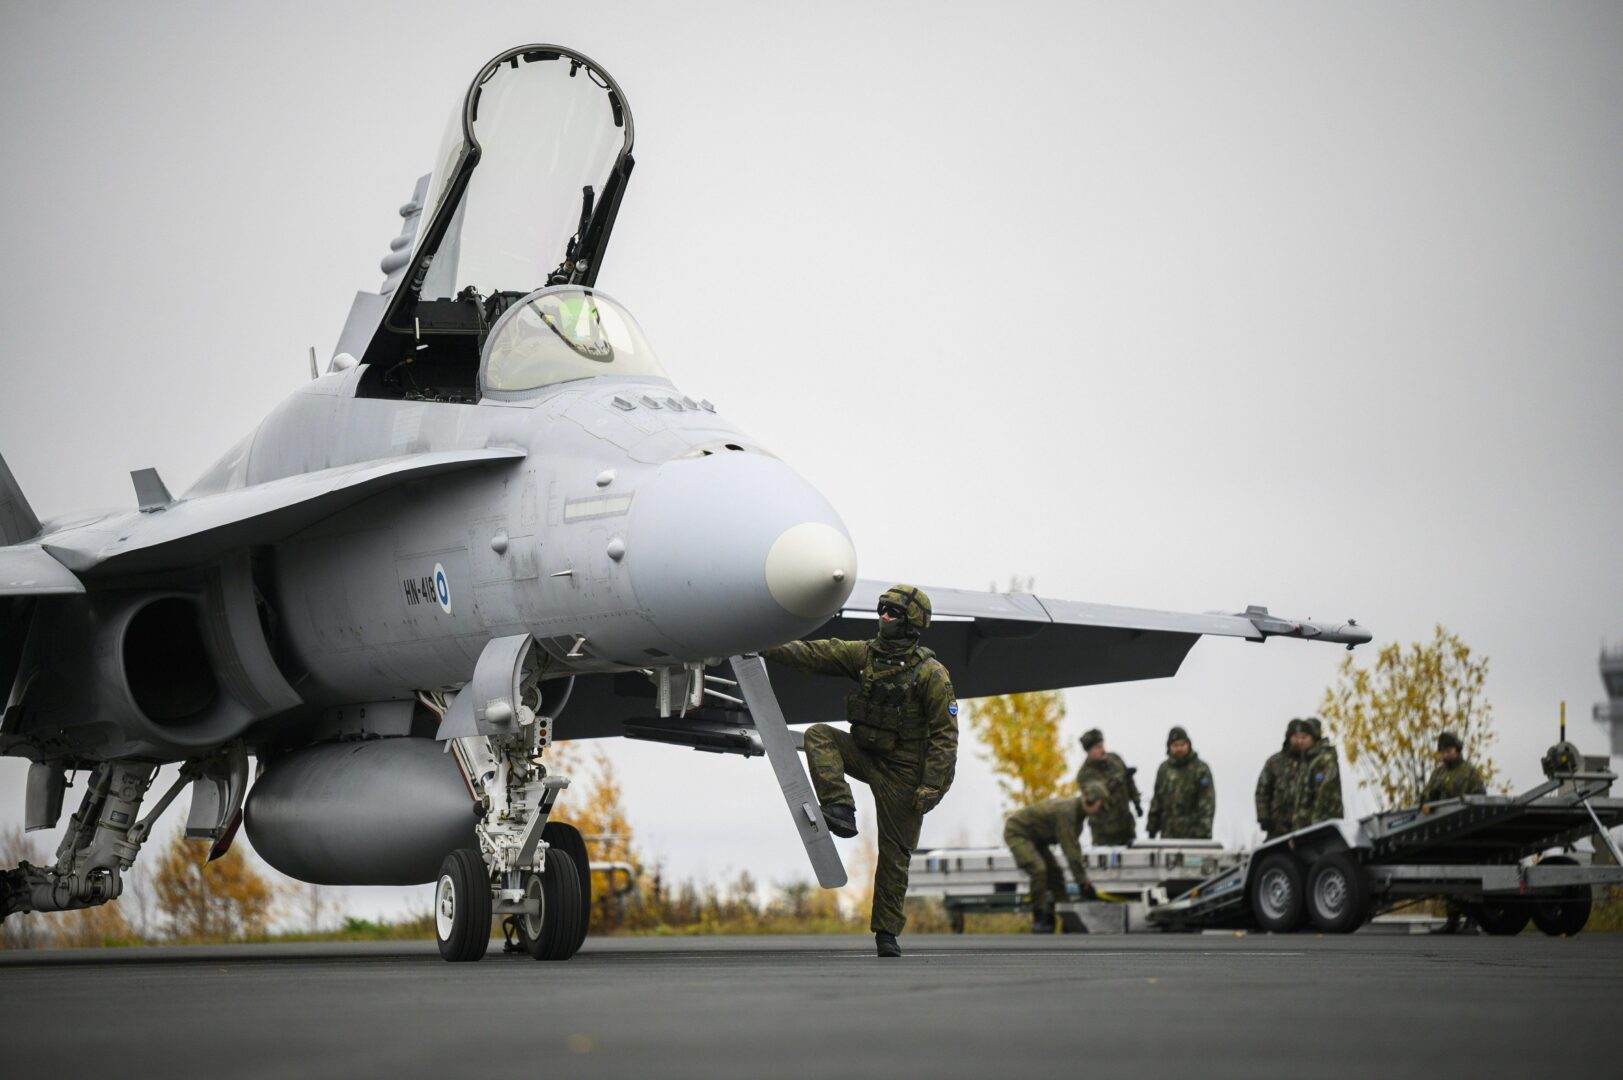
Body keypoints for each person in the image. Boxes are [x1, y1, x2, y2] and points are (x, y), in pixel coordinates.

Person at [762, 584, 957, 959]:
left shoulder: (931, 674)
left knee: (895, 857)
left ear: (911, 623)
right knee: (819, 735)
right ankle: (840, 808)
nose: (883, 616)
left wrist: (934, 786)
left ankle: (886, 933)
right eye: (882, 609)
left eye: (893, 612)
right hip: (866, 754)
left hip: (904, 774)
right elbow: (814, 654)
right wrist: (758, 646)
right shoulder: (865, 655)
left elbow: (945, 736)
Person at [1003, 781, 1107, 934]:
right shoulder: (1068, 813)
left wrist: (1082, 881)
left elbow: (1074, 849)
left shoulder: (1078, 817)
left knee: (1056, 875)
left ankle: (1068, 919)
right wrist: (1083, 883)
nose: (1100, 810)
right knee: (1039, 870)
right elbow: (1071, 853)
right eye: (1100, 805)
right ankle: (1039, 918)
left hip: (1037, 839)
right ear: (1089, 800)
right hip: (1017, 833)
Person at [1146, 726, 1215, 839]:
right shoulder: (1164, 770)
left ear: (1188, 745)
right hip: (1168, 835)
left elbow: (1207, 803)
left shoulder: (1200, 769)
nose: (1179, 749)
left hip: (1194, 836)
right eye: (1175, 745)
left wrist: (1203, 831)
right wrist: (1152, 828)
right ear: (1169, 747)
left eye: (1182, 745)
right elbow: (1157, 800)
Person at [1076, 729, 1140, 845]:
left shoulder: (1115, 759)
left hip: (1126, 829)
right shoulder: (1085, 774)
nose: (1103, 750)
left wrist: (1137, 802)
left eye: (1102, 745)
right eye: (1098, 747)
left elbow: (1129, 782)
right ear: (1089, 751)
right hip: (1104, 834)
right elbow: (1100, 792)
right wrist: (1119, 779)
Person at [1280, 717, 1342, 832]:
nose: (1300, 741)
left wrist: (1316, 827)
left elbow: (1324, 795)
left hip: (1322, 828)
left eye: (1304, 737)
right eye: (1298, 737)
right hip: (1305, 829)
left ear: (1314, 738)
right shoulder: (1306, 762)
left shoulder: (1324, 760)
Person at [1254, 722, 1295, 839]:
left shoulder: (1310, 762)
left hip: (1303, 826)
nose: (1298, 741)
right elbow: (1262, 791)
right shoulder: (1275, 762)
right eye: (1295, 737)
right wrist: (1264, 817)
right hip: (1277, 826)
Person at [1421, 732, 1487, 802]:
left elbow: (1479, 798)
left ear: (1457, 750)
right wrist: (1430, 795)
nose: (1445, 755)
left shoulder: (1470, 772)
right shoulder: (1437, 774)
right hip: (1440, 809)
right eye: (1442, 752)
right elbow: (1421, 799)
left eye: (1448, 751)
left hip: (1461, 808)